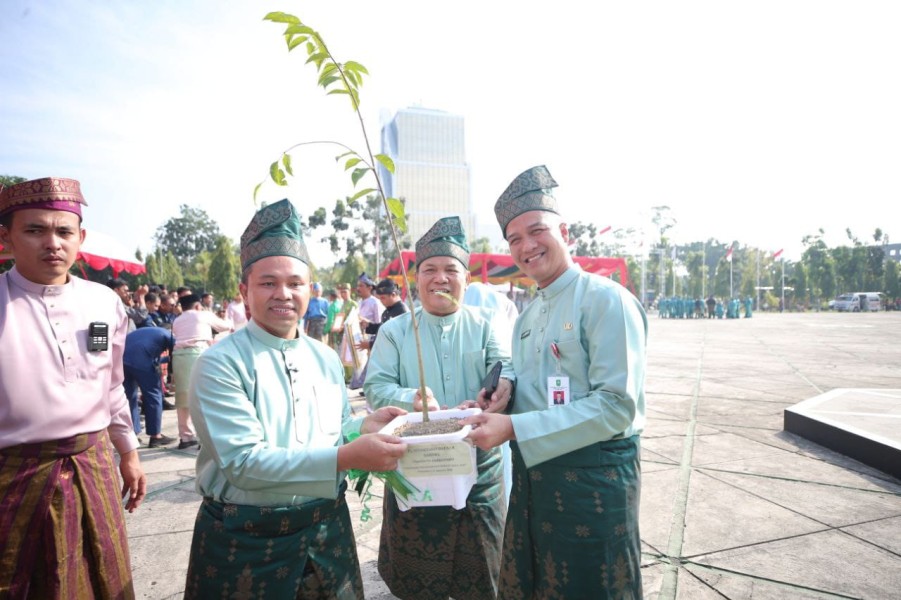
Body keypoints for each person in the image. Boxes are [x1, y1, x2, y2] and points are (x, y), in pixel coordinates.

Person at [183, 198, 408, 599]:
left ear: (310, 289)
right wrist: (347, 458)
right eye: (268, 282)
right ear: (244, 291)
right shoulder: (220, 363)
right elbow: (243, 463)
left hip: (326, 530)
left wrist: (363, 427)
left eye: (295, 283)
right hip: (247, 540)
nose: (283, 294)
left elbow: (333, 430)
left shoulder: (323, 357)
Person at [464, 165, 647, 598]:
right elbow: (535, 381)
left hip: (592, 487)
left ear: (565, 231)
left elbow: (616, 406)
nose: (527, 246)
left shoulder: (605, 300)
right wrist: (505, 392)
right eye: (514, 239)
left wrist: (513, 428)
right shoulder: (527, 315)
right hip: (536, 486)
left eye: (536, 230)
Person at [0, 176, 146, 597]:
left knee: (103, 575)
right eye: (34, 230)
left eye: (64, 232)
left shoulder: (103, 303)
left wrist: (129, 453)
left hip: (92, 463)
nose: (53, 243)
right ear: (6, 237)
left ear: (80, 237)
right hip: (15, 474)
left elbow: (112, 384)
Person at [364, 216, 514, 600]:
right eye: (430, 269)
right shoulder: (397, 331)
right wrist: (411, 398)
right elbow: (377, 387)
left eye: (451, 270)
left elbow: (503, 365)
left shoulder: (485, 323)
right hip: (417, 465)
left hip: (479, 463)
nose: (440, 279)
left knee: (483, 571)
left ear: (466, 278)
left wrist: (496, 389)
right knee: (418, 577)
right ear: (416, 279)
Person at [171, 293, 233, 449]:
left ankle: (185, 437)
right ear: (197, 306)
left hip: (179, 356)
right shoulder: (203, 315)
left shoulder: (177, 320)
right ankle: (204, 438)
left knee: (183, 397)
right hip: (198, 354)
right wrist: (226, 318)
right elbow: (226, 326)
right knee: (203, 396)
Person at [123, 325, 177, 447]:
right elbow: (176, 352)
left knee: (130, 398)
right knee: (154, 396)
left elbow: (155, 356)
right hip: (141, 360)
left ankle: (132, 435)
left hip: (122, 360)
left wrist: (165, 359)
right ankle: (155, 435)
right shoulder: (171, 337)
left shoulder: (154, 332)